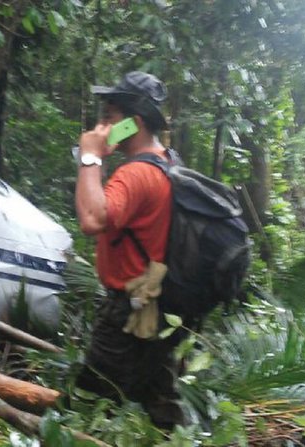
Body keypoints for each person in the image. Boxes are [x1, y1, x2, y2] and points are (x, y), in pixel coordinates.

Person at [73, 71, 184, 429]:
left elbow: (92, 218)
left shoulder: (136, 174)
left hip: (126, 314)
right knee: (162, 413)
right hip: (160, 309)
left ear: (134, 123)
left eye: (109, 117)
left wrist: (90, 157)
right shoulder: (169, 162)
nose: (101, 125)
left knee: (87, 408)